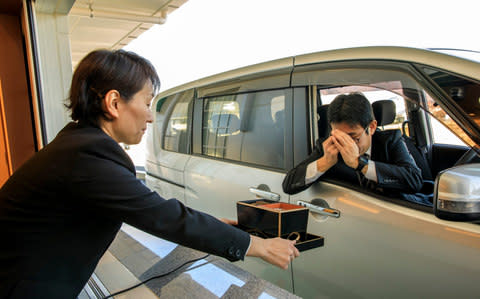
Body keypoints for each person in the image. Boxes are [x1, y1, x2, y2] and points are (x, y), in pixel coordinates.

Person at [0, 49, 299, 299]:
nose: (151, 116)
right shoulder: (87, 156)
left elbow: (143, 205)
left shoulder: (79, 145)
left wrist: (214, 224)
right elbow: (162, 215)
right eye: (146, 102)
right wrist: (258, 246)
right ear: (114, 103)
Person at [282, 92, 423, 197]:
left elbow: (414, 180)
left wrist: (361, 163)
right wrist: (324, 162)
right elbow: (289, 185)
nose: (346, 144)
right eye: (339, 135)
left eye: (353, 137)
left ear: (372, 127)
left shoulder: (390, 140)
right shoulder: (329, 147)